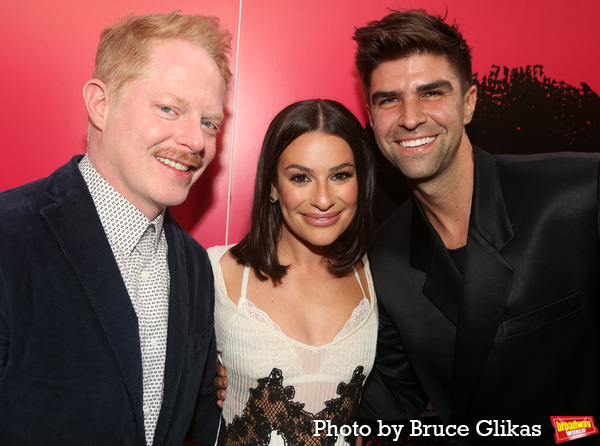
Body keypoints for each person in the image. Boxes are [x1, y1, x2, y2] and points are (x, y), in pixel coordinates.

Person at [353, 9, 600, 445]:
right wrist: (261, 373)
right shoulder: (384, 257)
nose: (409, 118)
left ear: (468, 103)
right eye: (388, 99)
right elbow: (392, 397)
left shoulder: (577, 193)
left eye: (431, 93)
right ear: (371, 120)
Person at [0, 11, 231, 446]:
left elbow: (201, 417)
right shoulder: (9, 237)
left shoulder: (196, 266)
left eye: (209, 123)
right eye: (168, 108)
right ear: (100, 104)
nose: (196, 141)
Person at [208, 99, 378, 446]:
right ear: (273, 185)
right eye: (300, 177)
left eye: (340, 175)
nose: (323, 199)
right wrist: (201, 382)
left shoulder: (376, 273)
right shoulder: (217, 272)